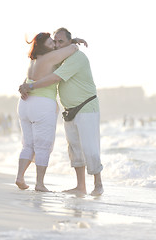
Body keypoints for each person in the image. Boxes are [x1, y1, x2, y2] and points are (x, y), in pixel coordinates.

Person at [19, 27, 104, 196]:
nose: (57, 45)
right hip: (70, 110)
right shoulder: (59, 59)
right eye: (55, 42)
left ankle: (98, 184)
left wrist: (29, 86)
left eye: (61, 42)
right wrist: (25, 83)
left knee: (90, 148)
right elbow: (41, 70)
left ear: (68, 42)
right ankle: (81, 186)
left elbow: (55, 77)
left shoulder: (76, 57)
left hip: (86, 107)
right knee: (74, 149)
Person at [16, 32, 81, 192]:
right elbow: (72, 49)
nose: (54, 45)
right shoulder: (50, 57)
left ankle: (20, 177)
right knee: (43, 146)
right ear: (43, 45)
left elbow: (27, 81)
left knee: (28, 144)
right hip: (42, 105)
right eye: (51, 42)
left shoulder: (33, 61)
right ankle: (39, 184)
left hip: (25, 104)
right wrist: (73, 41)